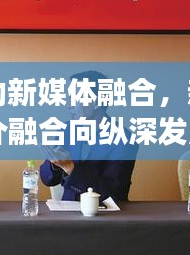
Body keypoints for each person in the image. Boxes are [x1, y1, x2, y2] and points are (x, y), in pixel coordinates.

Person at [39, 70, 138, 202]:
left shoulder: (124, 139)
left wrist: (70, 168)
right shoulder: (66, 129)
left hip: (105, 212)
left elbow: (112, 193)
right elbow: (47, 179)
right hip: (67, 211)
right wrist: (54, 163)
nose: (69, 105)